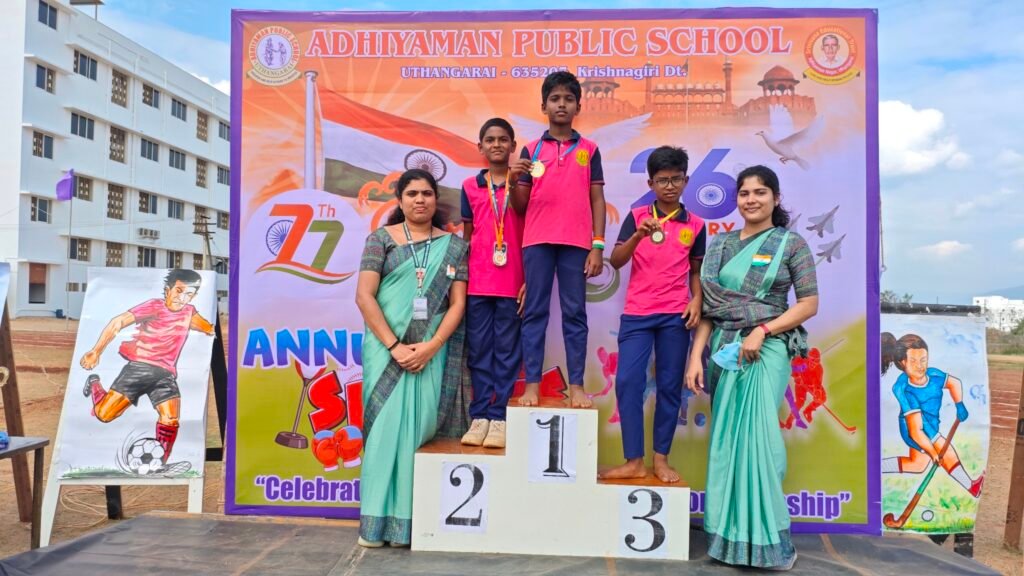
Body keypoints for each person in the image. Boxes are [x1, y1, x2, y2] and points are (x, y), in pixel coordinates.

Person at [685, 165, 819, 570]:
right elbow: (709, 308)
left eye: (761, 192)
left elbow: (809, 304)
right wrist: (696, 356)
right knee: (727, 442)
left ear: (775, 198)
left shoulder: (791, 244)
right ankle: (729, 542)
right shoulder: (721, 244)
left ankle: (770, 543)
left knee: (760, 441)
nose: (751, 199)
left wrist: (763, 329)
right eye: (744, 193)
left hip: (767, 349)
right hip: (725, 352)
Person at [355, 168, 471, 548]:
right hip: (387, 352)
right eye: (412, 194)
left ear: (436, 200)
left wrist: (432, 345)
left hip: (429, 354)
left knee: (419, 433)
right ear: (400, 200)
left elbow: (458, 304)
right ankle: (374, 526)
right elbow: (365, 296)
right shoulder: (380, 240)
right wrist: (394, 346)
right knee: (385, 433)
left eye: (426, 193)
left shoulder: (454, 247)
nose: (420, 200)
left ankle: (408, 524)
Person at [600, 146, 706, 483]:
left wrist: (697, 300)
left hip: (676, 316)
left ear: (686, 180)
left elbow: (696, 271)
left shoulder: (697, 224)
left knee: (670, 387)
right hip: (638, 314)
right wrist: (636, 235)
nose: (670, 186)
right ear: (651, 182)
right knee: (629, 382)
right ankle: (634, 461)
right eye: (662, 180)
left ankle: (661, 459)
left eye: (676, 179)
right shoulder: (637, 215)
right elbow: (616, 261)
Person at [511, 70, 606, 408]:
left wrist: (597, 245)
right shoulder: (531, 149)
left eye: (568, 99)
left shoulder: (589, 150)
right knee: (534, 313)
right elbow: (520, 205)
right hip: (536, 241)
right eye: (555, 99)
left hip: (576, 243)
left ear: (578, 106)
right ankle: (532, 385)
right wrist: (512, 181)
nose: (561, 104)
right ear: (543, 106)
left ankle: (577, 385)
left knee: (574, 314)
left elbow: (596, 199)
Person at [81, 269, 214, 466]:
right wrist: (96, 351)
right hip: (139, 368)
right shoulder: (154, 306)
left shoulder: (189, 313)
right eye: (179, 291)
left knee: (170, 417)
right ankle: (95, 384)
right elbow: (118, 322)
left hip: (165, 375)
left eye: (189, 294)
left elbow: (210, 328)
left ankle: (158, 463)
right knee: (105, 415)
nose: (182, 298)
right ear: (168, 290)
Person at [460, 118, 530, 449]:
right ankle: (479, 416)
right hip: (477, 284)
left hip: (512, 283)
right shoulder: (470, 186)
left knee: (506, 352)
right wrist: (461, 281)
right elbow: (468, 237)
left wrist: (531, 280)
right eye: (490, 139)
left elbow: (533, 237)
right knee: (479, 352)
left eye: (504, 139)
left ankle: (499, 416)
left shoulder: (524, 184)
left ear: (513, 146)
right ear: (481, 147)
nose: (497, 144)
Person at [880, 333, 984, 497]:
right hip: (913, 426)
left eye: (923, 360)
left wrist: (959, 404)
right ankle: (972, 487)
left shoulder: (933, 375)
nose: (920, 366)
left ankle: (874, 468)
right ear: (903, 362)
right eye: (913, 361)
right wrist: (934, 453)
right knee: (943, 448)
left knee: (917, 465)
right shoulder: (903, 389)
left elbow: (953, 383)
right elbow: (916, 430)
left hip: (930, 421)